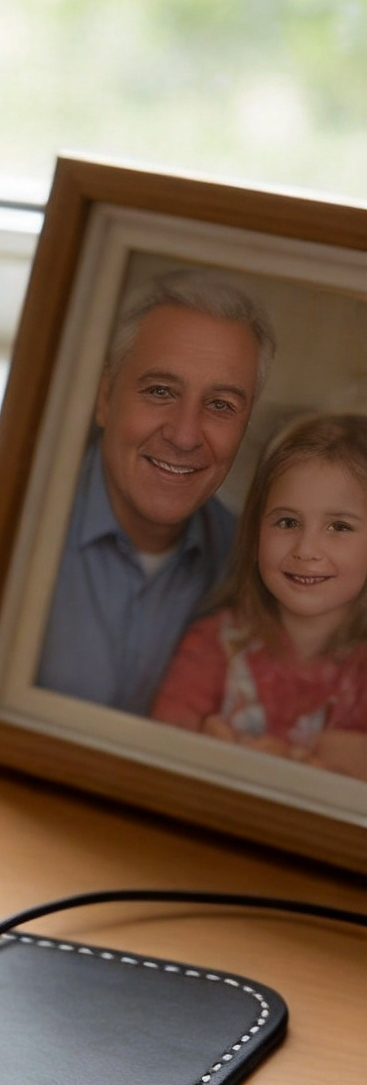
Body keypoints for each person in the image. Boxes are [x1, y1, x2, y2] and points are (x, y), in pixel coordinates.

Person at [36, 268, 276, 715]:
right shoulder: (21, 522)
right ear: (105, 397)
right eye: (161, 391)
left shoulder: (255, 570)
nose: (184, 436)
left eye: (220, 405)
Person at [150, 414, 367, 779]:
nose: (306, 549)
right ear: (255, 531)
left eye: (339, 526)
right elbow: (155, 757)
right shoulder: (213, 645)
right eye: (287, 522)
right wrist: (200, 751)